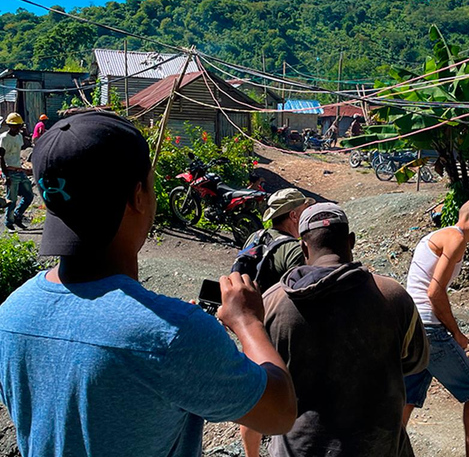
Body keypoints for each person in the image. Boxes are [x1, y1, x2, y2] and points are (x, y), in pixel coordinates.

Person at [0, 111, 297, 456]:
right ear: (137, 196)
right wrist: (247, 322)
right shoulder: (173, 336)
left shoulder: (11, 315)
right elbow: (280, 413)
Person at [241, 202, 428, 456]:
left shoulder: (273, 303)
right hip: (377, 447)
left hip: (299, 448)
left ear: (303, 247)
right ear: (350, 241)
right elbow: (415, 361)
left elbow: (257, 384)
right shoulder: (392, 296)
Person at [403, 199, 469, 457]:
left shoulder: (437, 235)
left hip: (412, 327)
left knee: (407, 398)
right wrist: (456, 332)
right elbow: (434, 292)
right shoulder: (456, 238)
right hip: (429, 329)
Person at [232, 188, 314, 292]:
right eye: (305, 210)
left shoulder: (256, 236)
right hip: (271, 308)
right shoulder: (295, 250)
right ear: (294, 216)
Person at [0, 112, 34, 231]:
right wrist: (7, 176)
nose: (16, 128)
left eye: (18, 126)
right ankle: (9, 223)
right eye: (14, 126)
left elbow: (18, 152)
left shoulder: (19, 137)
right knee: (12, 200)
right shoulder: (4, 138)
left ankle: (17, 216)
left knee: (29, 195)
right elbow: (1, 158)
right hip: (10, 171)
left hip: (19, 170)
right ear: (9, 125)